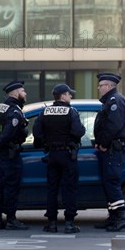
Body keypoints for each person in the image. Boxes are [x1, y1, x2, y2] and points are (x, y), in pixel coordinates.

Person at [33, 84, 86, 233]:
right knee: (69, 189)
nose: (70, 97)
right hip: (68, 155)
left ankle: (52, 223)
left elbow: (36, 131)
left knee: (52, 189)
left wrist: (46, 141)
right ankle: (69, 224)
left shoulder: (45, 112)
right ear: (63, 96)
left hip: (52, 155)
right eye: (69, 94)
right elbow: (78, 131)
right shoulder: (71, 112)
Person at [0, 80, 29, 230]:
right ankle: (11, 219)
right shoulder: (15, 111)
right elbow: (7, 133)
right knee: (11, 187)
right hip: (10, 154)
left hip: (0, 155)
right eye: (23, 91)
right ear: (16, 93)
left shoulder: (1, 108)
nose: (25, 94)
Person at [93, 73, 125, 232]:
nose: (98, 88)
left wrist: (103, 143)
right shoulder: (111, 101)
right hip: (110, 149)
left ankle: (122, 218)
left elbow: (113, 126)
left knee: (112, 183)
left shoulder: (115, 101)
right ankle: (113, 216)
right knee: (109, 184)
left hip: (112, 150)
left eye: (101, 85)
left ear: (109, 86)